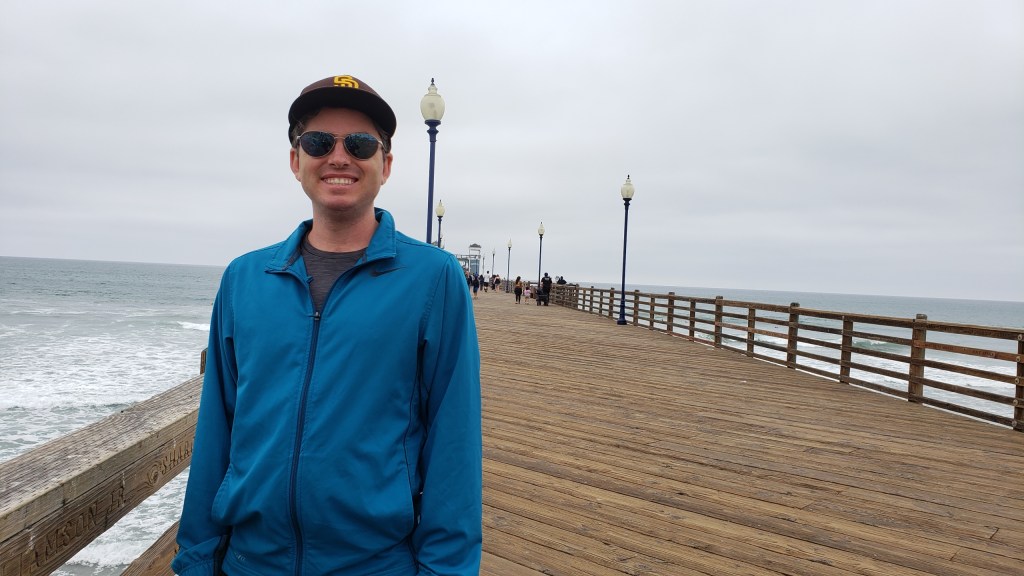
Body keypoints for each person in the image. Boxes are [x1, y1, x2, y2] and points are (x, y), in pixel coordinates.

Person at [172, 75, 482, 576]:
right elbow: (216, 431)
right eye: (319, 142)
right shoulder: (245, 278)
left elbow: (455, 443)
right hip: (250, 563)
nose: (339, 157)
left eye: (360, 144)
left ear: (386, 165)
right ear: (296, 161)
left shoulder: (433, 279)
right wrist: (196, 560)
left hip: (375, 564)